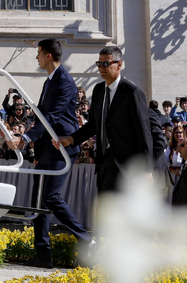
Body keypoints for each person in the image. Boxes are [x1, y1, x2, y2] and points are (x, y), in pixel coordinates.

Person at [7, 38, 92, 269]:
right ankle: (43, 255)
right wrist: (36, 149)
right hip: (47, 149)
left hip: (62, 148)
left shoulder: (65, 82)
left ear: (47, 56)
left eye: (38, 53)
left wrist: (25, 138)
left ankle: (88, 241)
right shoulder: (50, 81)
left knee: (51, 198)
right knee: (38, 201)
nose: (36, 57)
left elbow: (52, 118)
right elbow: (43, 116)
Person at [57, 45, 153, 194]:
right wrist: (71, 138)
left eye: (106, 64)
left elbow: (143, 132)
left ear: (119, 64)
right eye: (99, 64)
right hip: (104, 163)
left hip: (126, 166)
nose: (101, 67)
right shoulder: (98, 90)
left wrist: (146, 169)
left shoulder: (132, 93)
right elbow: (94, 124)